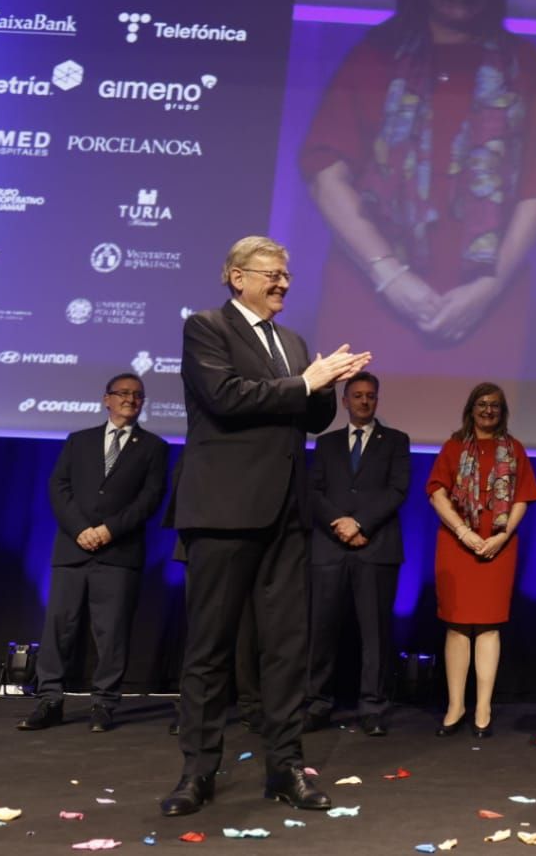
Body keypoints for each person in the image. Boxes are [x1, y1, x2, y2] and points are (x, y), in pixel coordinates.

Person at [299, 0, 536, 405]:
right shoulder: (373, 58)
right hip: (370, 294)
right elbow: (326, 176)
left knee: (472, 453)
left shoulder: (526, 65)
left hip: (483, 304)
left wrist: (486, 292)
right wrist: (392, 279)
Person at [160, 236, 371, 818]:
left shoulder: (293, 342)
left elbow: (308, 418)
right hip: (224, 510)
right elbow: (226, 398)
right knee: (209, 650)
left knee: (286, 651)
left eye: (286, 274)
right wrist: (306, 381)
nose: (282, 283)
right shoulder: (206, 328)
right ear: (236, 277)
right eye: (271, 274)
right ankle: (197, 773)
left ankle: (285, 768)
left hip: (285, 514)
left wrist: (325, 385)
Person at [19, 372, 168, 733]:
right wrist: (81, 530)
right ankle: (49, 700)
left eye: (137, 395)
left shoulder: (154, 447)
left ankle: (104, 704)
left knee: (112, 633)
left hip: (119, 554)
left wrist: (108, 530)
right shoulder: (79, 441)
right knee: (59, 628)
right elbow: (59, 487)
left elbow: (150, 499)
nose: (130, 399)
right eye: (123, 393)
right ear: (106, 399)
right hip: (74, 549)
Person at [426, 381, 536, 738]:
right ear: (471, 408)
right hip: (457, 544)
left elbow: (522, 497)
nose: (488, 410)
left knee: (489, 626)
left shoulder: (515, 449)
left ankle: (483, 708)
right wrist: (464, 532)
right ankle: (455, 705)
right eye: (482, 404)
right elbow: (436, 493)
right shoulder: (454, 447)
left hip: (498, 547)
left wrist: (501, 537)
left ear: (502, 411)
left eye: (495, 405)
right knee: (457, 625)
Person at [305, 371, 411, 736]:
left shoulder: (396, 441)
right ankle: (316, 703)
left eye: (371, 396)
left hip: (375, 548)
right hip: (330, 549)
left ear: (376, 400)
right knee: (321, 632)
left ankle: (372, 707)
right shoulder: (326, 442)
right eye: (358, 395)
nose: (365, 401)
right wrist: (340, 522)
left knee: (375, 634)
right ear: (345, 401)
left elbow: (398, 490)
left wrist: (361, 525)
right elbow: (313, 491)